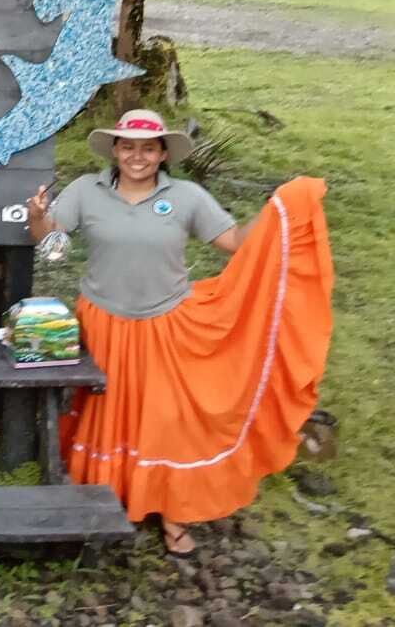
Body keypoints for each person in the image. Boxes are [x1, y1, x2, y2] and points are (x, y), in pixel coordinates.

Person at [26, 109, 333, 558]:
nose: (137, 156)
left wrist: (278, 211)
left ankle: (172, 512)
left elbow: (235, 243)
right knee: (106, 410)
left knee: (165, 418)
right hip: (103, 322)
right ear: (115, 150)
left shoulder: (186, 196)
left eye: (148, 148)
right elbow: (51, 245)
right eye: (128, 146)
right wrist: (38, 218)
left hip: (166, 322)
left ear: (163, 153)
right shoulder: (86, 191)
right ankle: (102, 496)